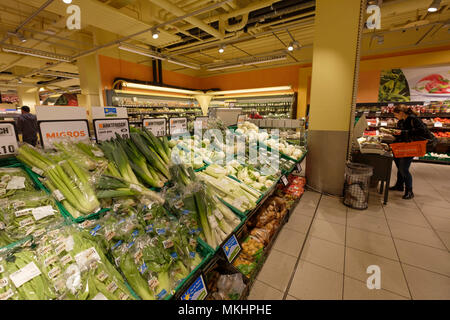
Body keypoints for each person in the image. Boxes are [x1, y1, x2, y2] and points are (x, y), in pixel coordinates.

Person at [389, 105, 436, 200]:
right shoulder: (401, 121)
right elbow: (401, 133)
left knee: (404, 168)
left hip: (412, 146)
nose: (395, 116)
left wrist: (403, 132)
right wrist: (394, 133)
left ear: (401, 113)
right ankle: (399, 185)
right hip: (403, 145)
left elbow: (422, 131)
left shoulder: (414, 119)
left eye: (395, 114)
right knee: (399, 166)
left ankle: (409, 191)